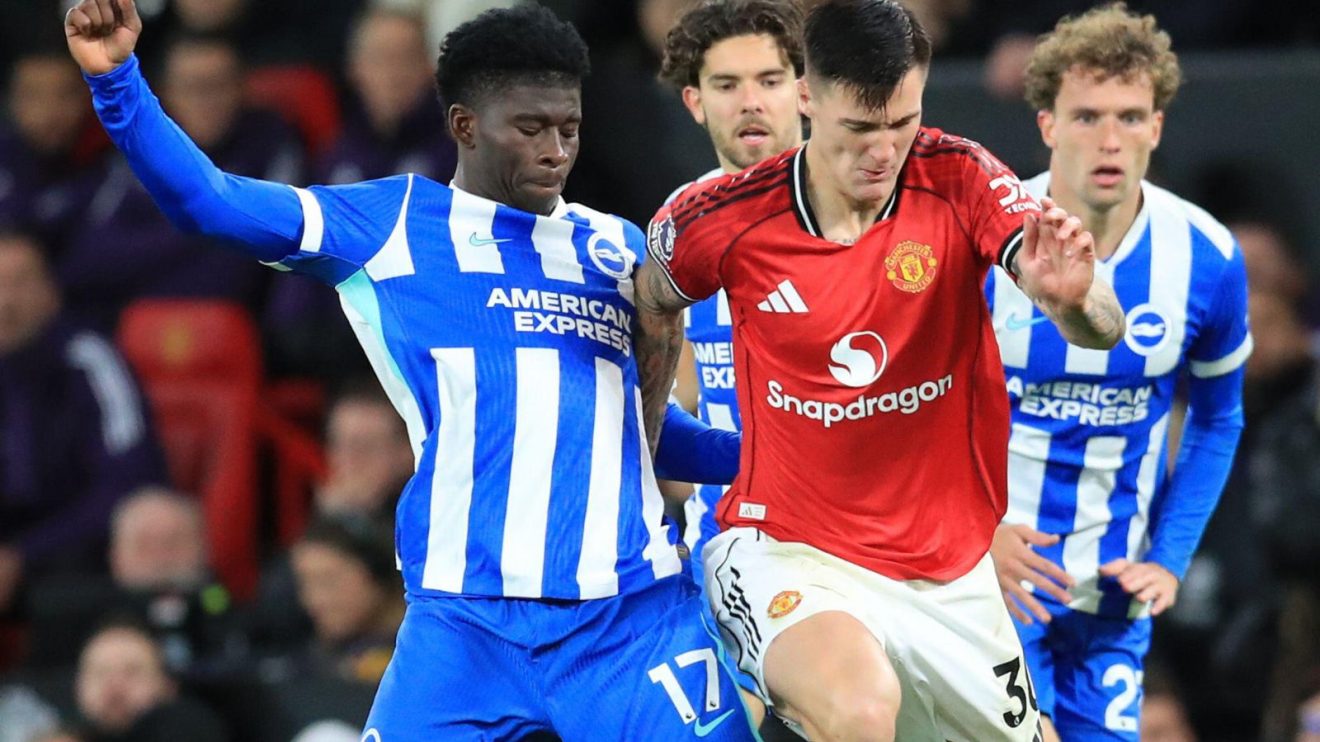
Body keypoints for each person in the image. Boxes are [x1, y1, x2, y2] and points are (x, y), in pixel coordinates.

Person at [64, 1, 757, 739]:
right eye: (531, 128)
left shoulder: (615, 249)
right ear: (464, 126)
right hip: (464, 632)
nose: (556, 150)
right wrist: (117, 83)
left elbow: (645, 431)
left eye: (569, 127)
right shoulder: (391, 227)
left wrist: (786, 455)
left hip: (628, 622)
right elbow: (209, 200)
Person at [635, 0, 1125, 739]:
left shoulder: (958, 176)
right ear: (809, 96)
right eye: (860, 129)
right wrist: (646, 435)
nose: (884, 152)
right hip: (787, 549)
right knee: (861, 709)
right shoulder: (720, 218)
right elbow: (650, 301)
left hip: (946, 569)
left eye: (902, 125)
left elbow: (1098, 323)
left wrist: (1076, 300)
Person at [984, 6, 1251, 741]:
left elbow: (1219, 418)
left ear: (1158, 128)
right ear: (1046, 124)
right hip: (993, 587)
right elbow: (922, 409)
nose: (1110, 141)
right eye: (1087, 116)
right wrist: (976, 535)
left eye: (1131, 117)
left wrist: (1169, 558)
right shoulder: (985, 241)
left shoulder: (1207, 257)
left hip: (1114, 598)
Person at [658, 0, 806, 593]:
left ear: (803, 91)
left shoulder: (866, 217)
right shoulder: (676, 229)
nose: (751, 101)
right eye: (727, 84)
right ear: (695, 102)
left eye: (769, 81)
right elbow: (670, 393)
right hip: (723, 555)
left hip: (856, 550)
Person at [0, 232, 166, 616]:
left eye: (20, 283)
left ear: (50, 293)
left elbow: (130, 483)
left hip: (72, 554)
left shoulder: (89, 361)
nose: (5, 302)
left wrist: (23, 556)